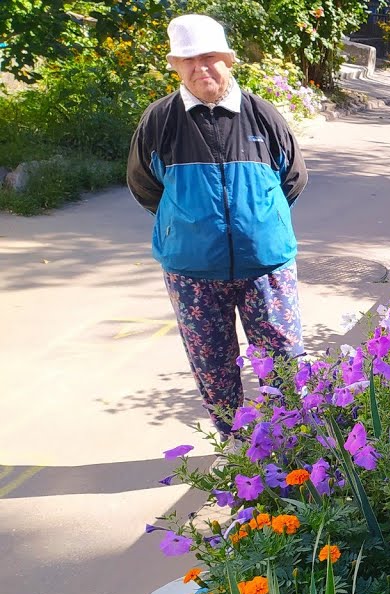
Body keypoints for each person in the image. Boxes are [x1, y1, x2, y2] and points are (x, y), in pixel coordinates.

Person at [127, 14, 308, 447]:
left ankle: (293, 443)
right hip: (193, 273)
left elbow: (293, 178)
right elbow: (143, 185)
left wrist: (258, 224)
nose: (200, 68)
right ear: (175, 65)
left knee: (283, 359)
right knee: (213, 366)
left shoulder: (263, 115)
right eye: (188, 60)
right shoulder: (160, 121)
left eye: (209, 57)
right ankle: (238, 445)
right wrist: (185, 225)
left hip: (265, 267)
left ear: (228, 60)